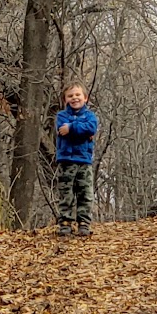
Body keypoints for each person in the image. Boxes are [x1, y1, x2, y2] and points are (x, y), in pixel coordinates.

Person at [54, 83, 98, 239]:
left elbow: (91, 128)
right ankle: (65, 222)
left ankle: (84, 223)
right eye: (70, 96)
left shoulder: (90, 116)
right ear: (65, 99)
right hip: (66, 160)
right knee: (66, 193)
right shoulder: (61, 116)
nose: (74, 98)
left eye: (78, 95)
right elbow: (62, 130)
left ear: (85, 98)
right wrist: (82, 132)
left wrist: (72, 128)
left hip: (84, 160)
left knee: (85, 193)